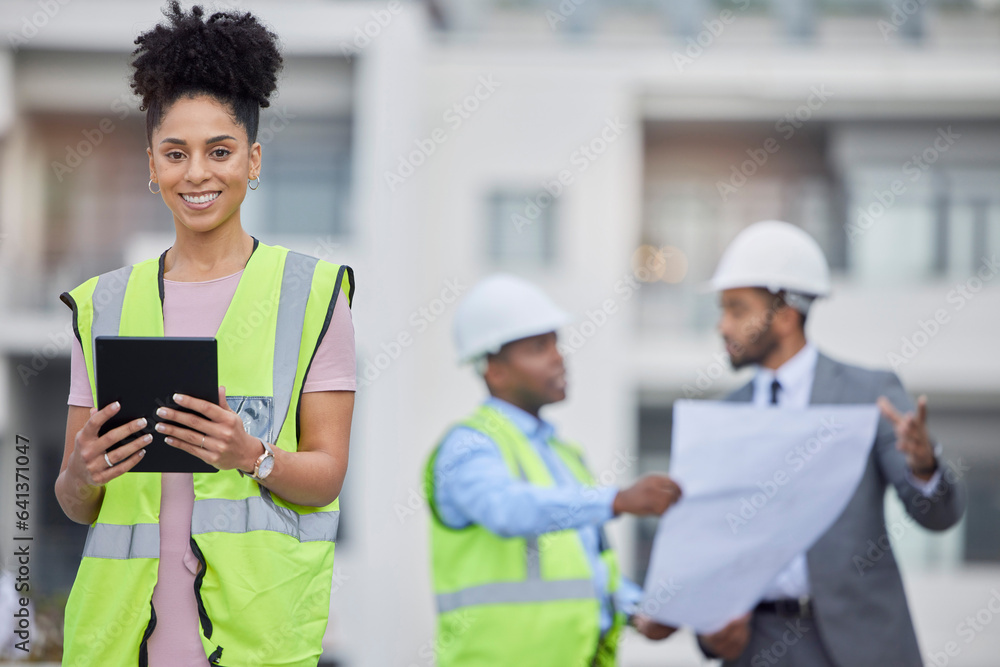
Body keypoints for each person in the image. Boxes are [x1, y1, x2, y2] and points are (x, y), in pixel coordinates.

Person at [53, 4, 356, 665]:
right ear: (152, 163)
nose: (197, 174)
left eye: (219, 152)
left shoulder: (313, 294)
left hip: (256, 644)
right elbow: (75, 502)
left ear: (252, 160)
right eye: (176, 153)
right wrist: (80, 470)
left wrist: (252, 454)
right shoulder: (102, 304)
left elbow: (327, 475)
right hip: (115, 642)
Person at [688, 220, 966, 666]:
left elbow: (936, 515)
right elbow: (707, 544)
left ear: (785, 315)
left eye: (738, 310)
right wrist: (707, 630)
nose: (723, 326)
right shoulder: (724, 417)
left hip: (860, 646)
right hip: (758, 647)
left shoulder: (868, 394)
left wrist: (924, 467)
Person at [424, 274, 682, 666]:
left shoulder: (562, 454)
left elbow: (584, 567)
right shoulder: (469, 445)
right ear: (494, 369)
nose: (558, 356)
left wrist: (635, 610)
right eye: (538, 347)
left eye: (556, 343)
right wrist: (618, 499)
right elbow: (507, 510)